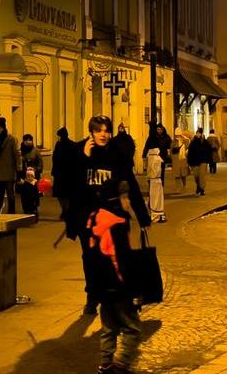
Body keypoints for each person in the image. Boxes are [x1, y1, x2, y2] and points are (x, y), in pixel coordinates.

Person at [68, 115, 151, 373]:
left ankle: (107, 295)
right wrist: (82, 157)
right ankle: (93, 295)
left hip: (113, 218)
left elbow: (131, 183)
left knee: (114, 259)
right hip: (88, 219)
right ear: (91, 132)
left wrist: (142, 214)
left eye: (106, 130)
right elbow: (70, 185)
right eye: (98, 130)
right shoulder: (80, 152)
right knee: (90, 258)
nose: (103, 134)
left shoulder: (117, 153)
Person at [51, 127, 82, 220]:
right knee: (64, 194)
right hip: (66, 173)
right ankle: (66, 209)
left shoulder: (67, 145)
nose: (58, 138)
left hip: (64, 174)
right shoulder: (65, 145)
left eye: (59, 136)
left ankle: (66, 209)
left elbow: (55, 158)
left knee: (63, 194)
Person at [18, 134, 44, 216]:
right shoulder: (20, 151)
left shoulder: (35, 150)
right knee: (24, 193)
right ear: (23, 141)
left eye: (30, 140)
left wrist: (36, 169)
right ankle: (26, 209)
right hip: (23, 176)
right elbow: (17, 163)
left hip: (34, 176)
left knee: (34, 193)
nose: (28, 142)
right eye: (26, 140)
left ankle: (34, 208)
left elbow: (40, 162)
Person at [186, 129, 212, 196]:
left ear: (201, 134)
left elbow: (209, 150)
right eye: (197, 133)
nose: (198, 134)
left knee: (202, 176)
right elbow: (190, 153)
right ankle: (198, 186)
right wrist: (189, 161)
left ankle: (202, 189)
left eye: (199, 133)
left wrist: (208, 159)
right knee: (196, 176)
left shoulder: (205, 142)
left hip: (203, 161)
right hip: (195, 162)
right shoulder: (193, 142)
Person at [145, 147, 166, 223]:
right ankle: (156, 215)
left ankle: (154, 214)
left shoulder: (150, 157)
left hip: (153, 180)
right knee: (156, 199)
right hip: (156, 180)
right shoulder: (156, 158)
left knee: (153, 197)